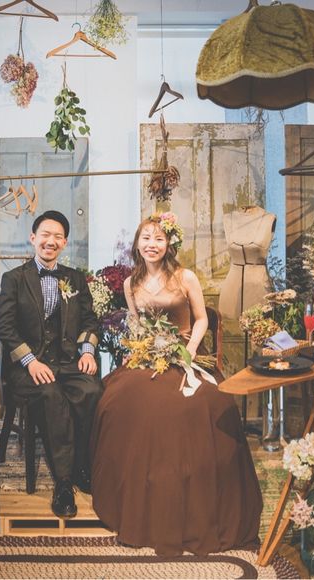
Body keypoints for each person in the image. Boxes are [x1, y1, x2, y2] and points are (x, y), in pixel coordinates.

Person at [90, 213, 263, 556]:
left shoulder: (185, 277)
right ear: (137, 244)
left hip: (185, 353)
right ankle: (136, 500)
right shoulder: (130, 284)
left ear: (169, 244)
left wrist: (189, 349)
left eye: (158, 239)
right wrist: (137, 349)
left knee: (201, 403)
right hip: (147, 356)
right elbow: (136, 324)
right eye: (146, 238)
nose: (152, 245)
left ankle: (189, 501)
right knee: (118, 400)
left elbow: (201, 319)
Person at [0, 210, 103, 519]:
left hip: (68, 362)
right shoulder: (14, 279)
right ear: (33, 238)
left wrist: (87, 352)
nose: (50, 241)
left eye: (57, 237)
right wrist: (30, 361)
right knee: (52, 396)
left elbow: (91, 321)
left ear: (64, 243)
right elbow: (2, 326)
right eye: (45, 235)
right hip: (29, 366)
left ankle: (83, 466)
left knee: (92, 391)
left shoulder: (74, 279)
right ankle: (64, 483)